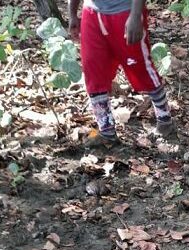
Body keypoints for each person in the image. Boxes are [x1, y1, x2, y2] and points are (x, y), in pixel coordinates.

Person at [68, 0, 176, 145]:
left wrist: (136, 15)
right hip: (91, 13)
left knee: (141, 68)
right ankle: (106, 131)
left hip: (125, 12)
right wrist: (72, 14)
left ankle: (164, 120)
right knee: (93, 71)